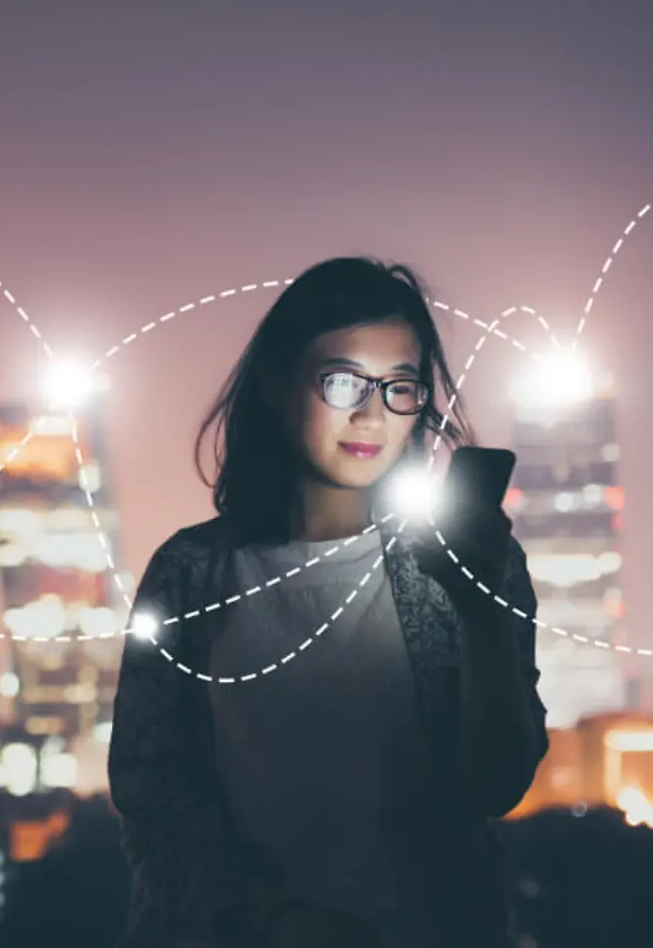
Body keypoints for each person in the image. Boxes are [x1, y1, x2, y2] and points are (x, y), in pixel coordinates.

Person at [107, 257, 548, 948]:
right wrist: (274, 924)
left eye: (401, 387)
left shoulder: (464, 563)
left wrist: (481, 610)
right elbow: (153, 795)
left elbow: (496, 783)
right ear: (278, 387)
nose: (371, 411)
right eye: (342, 381)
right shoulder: (192, 574)